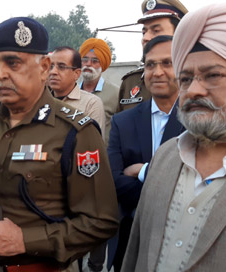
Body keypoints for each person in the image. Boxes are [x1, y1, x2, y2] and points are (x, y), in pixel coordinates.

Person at [0, 17, 118, 272]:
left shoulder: (75, 131)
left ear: (44, 67)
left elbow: (101, 222)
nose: (0, 74)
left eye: (13, 63)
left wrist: (25, 240)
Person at [122, 3, 226, 271]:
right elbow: (134, 255)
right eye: (186, 78)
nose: (193, 90)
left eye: (212, 75)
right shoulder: (167, 155)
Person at [107, 35, 185, 271]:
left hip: (182, 233)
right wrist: (167, 186)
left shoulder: (198, 119)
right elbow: (113, 179)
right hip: (132, 234)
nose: (157, 72)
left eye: (166, 63)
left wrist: (142, 171)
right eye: (150, 65)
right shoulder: (123, 121)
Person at [117, 0, 188, 112]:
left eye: (155, 31)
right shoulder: (131, 82)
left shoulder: (200, 81)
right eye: (144, 32)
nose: (146, 38)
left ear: (180, 34)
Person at [49, 46, 105, 136]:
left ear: (76, 74)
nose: (53, 72)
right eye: (51, 66)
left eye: (61, 67)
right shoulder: (40, 101)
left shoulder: (91, 104)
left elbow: (92, 144)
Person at [78, 38, 119, 146]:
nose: (88, 64)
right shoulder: (72, 92)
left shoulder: (116, 93)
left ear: (103, 64)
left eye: (95, 61)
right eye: (85, 60)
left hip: (103, 156)